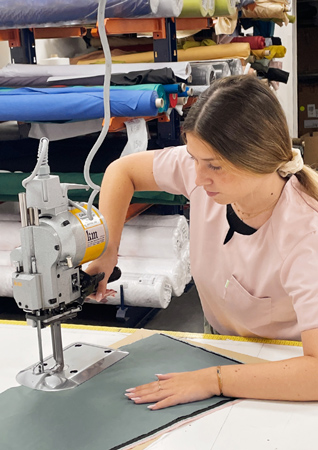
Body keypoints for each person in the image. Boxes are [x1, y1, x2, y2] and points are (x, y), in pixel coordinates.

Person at [86, 75, 318, 410]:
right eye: (194, 158)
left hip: (286, 368)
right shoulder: (205, 172)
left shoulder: (305, 233)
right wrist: (107, 251)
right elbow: (122, 172)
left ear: (260, 159)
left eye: (213, 166)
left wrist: (214, 381)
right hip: (220, 344)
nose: (196, 177)